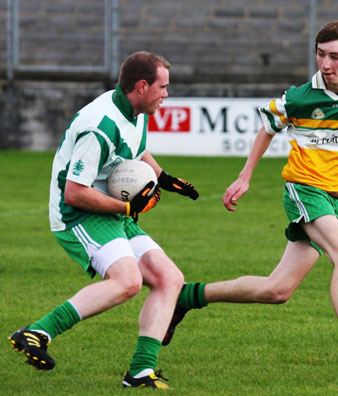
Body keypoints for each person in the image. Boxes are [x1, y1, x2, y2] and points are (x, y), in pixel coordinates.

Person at [163, 20, 338, 376]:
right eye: (320, 55)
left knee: (277, 290)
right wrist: (245, 176)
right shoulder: (299, 98)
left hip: (336, 199)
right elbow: (267, 127)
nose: (325, 64)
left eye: (334, 57)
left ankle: (186, 297)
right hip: (304, 189)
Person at [8, 51, 199, 389]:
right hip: (78, 215)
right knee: (128, 281)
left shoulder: (137, 110)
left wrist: (163, 177)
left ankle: (140, 372)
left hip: (110, 209)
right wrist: (127, 208)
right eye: (163, 87)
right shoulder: (99, 127)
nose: (166, 95)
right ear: (142, 86)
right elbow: (74, 192)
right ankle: (37, 332)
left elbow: (134, 151)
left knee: (170, 278)